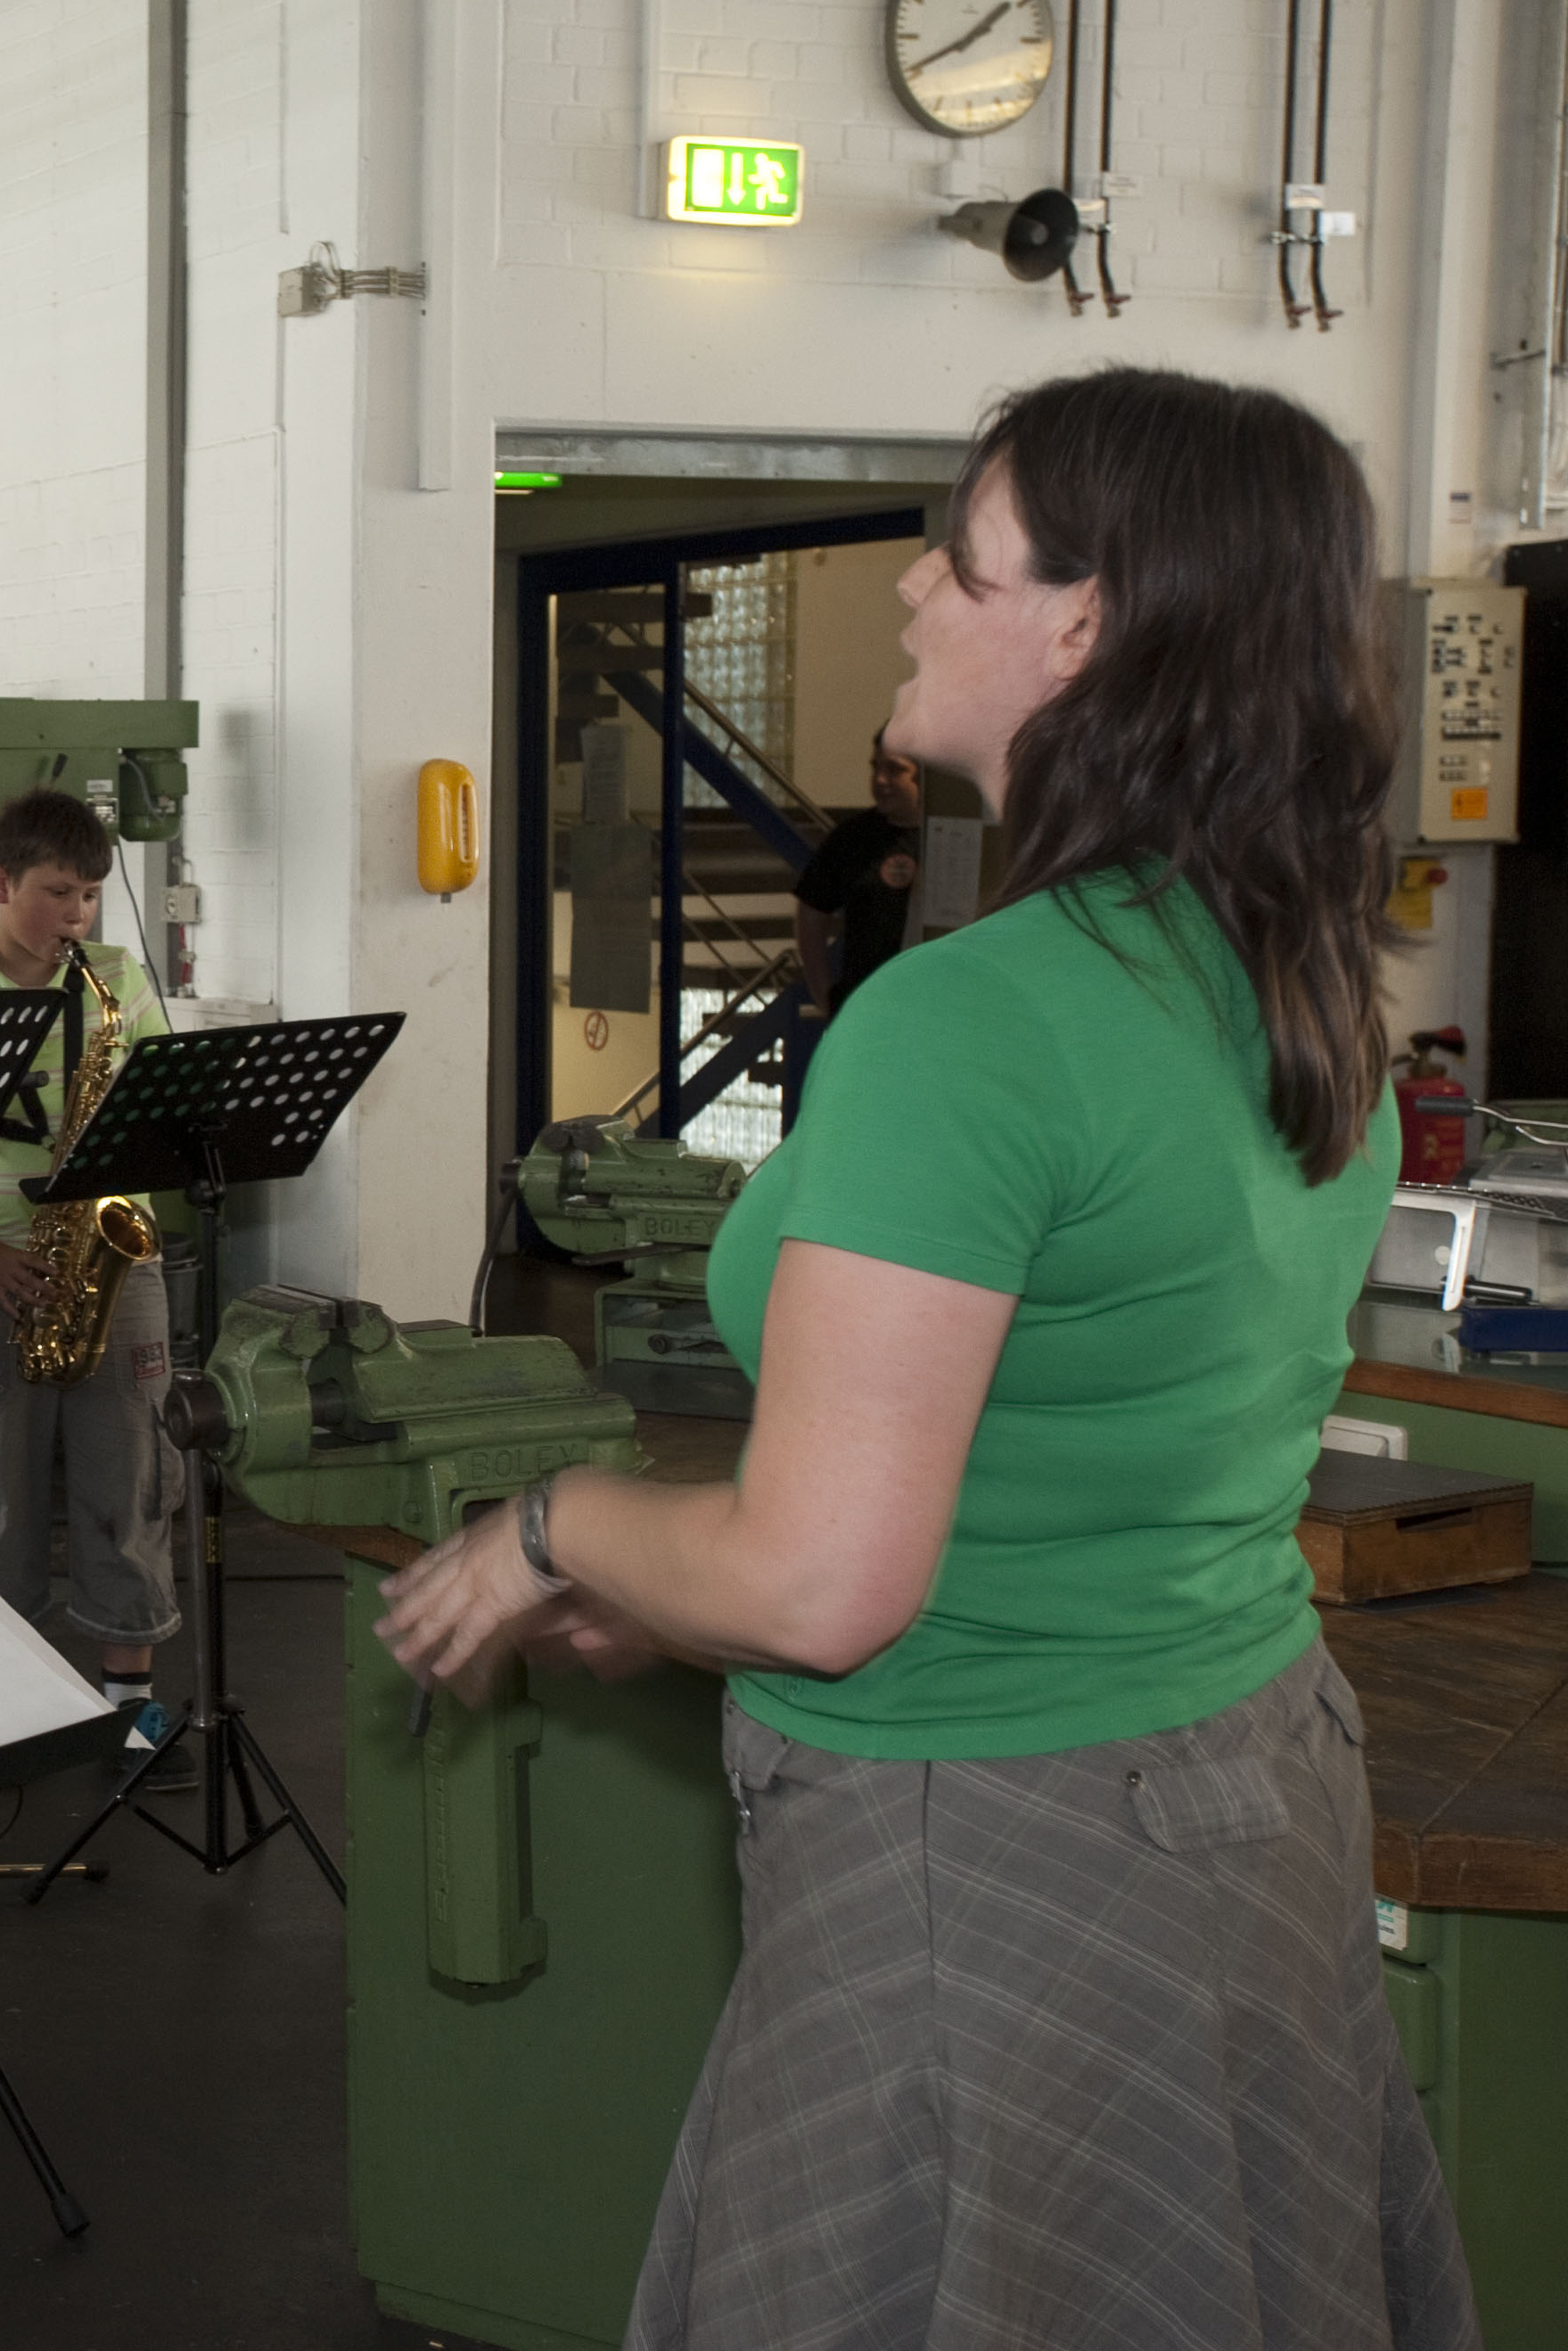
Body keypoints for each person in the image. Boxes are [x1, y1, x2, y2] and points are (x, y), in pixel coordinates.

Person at [377, 369, 1474, 2349]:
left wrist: (554, 1530)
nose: (903, 593)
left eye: (953, 559)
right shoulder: (1290, 977)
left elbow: (823, 1584)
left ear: (1083, 623)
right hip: (1242, 1804)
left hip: (989, 1873)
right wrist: (662, 1579)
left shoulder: (969, 1023)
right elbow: (1025, 1463)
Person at [0, 788, 179, 1744]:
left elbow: (161, 1100)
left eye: (88, 897)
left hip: (112, 1258)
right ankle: (0, 1706)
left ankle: (129, 1697)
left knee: (131, 1478)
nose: (75, 918)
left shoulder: (113, 979)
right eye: (54, 894)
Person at [789, 734, 924, 1018]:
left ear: (923, 775)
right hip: (866, 1008)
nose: (880, 780)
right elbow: (810, 913)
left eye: (894, 769)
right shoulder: (852, 838)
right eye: (875, 768)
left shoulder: (951, 839)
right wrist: (826, 997)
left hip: (930, 1003)